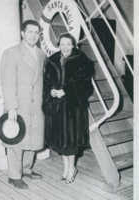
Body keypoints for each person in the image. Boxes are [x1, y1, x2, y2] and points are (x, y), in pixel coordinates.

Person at [43, 33, 94, 184]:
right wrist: (51, 91)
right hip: (57, 107)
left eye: (68, 43)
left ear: (73, 45)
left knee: (71, 141)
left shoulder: (82, 61)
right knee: (61, 141)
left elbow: (86, 86)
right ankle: (66, 168)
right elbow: (46, 82)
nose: (65, 46)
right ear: (59, 45)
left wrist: (66, 91)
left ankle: (71, 168)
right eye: (62, 43)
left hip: (73, 108)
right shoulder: (52, 60)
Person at [0, 20, 45, 189]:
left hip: (36, 105)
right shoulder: (11, 53)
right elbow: (7, 82)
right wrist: (11, 107)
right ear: (22, 33)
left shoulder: (41, 54)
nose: (33, 35)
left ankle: (26, 169)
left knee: (33, 139)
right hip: (19, 106)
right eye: (30, 32)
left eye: (36, 32)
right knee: (16, 141)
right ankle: (14, 175)